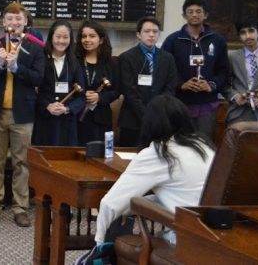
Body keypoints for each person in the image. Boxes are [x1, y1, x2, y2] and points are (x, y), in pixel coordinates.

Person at [94, 95, 215, 245]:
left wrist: (98, 244)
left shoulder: (160, 152)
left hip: (189, 238)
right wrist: (134, 205)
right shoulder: (203, 145)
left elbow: (110, 205)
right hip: (216, 232)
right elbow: (182, 194)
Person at [0, 2, 44, 228]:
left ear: (25, 22)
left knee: (21, 164)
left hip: (23, 115)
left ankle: (20, 207)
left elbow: (38, 78)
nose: (14, 23)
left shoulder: (35, 48)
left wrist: (16, 67)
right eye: (9, 19)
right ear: (3, 22)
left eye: (18, 19)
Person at [161, 0, 229, 141]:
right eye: (190, 12)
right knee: (180, 145)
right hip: (180, 103)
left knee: (205, 145)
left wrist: (211, 85)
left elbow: (224, 71)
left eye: (198, 11)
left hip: (207, 104)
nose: (194, 15)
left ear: (205, 15)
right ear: (184, 16)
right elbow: (164, 70)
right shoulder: (173, 40)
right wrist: (181, 84)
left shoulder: (217, 40)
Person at [118, 17, 178, 147]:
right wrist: (147, 115)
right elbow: (129, 90)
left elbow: (171, 87)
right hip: (132, 120)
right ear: (138, 34)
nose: (151, 35)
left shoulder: (168, 58)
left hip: (160, 119)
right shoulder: (126, 57)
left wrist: (157, 111)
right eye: (147, 31)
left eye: (155, 31)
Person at [34, 20, 86, 146]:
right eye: (58, 37)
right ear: (51, 37)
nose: (61, 41)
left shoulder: (75, 62)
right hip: (44, 120)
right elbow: (33, 89)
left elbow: (81, 96)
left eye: (65, 37)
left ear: (70, 39)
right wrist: (47, 106)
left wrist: (68, 109)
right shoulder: (41, 57)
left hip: (67, 122)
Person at [74, 20, 120, 144]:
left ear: (101, 40)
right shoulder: (74, 60)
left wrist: (99, 97)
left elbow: (117, 90)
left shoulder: (111, 63)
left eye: (92, 36)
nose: (87, 39)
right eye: (84, 36)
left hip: (101, 117)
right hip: (77, 115)